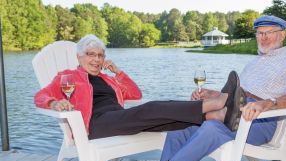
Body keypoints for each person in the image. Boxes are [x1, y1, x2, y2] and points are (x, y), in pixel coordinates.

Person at [112, 15, 286, 161]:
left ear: (282, 35)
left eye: (269, 33)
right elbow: (237, 94)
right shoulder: (255, 63)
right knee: (180, 126)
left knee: (211, 129)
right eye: (260, 33)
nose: (263, 37)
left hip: (260, 121)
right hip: (235, 111)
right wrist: (212, 94)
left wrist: (267, 103)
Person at [34, 34, 238, 140]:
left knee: (163, 120)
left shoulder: (108, 79)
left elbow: (134, 93)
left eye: (100, 55)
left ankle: (219, 115)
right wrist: (54, 103)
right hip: (94, 125)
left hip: (118, 119)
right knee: (153, 108)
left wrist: (117, 72)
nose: (96, 59)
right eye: (91, 54)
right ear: (79, 56)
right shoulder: (67, 77)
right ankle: (219, 101)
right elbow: (41, 96)